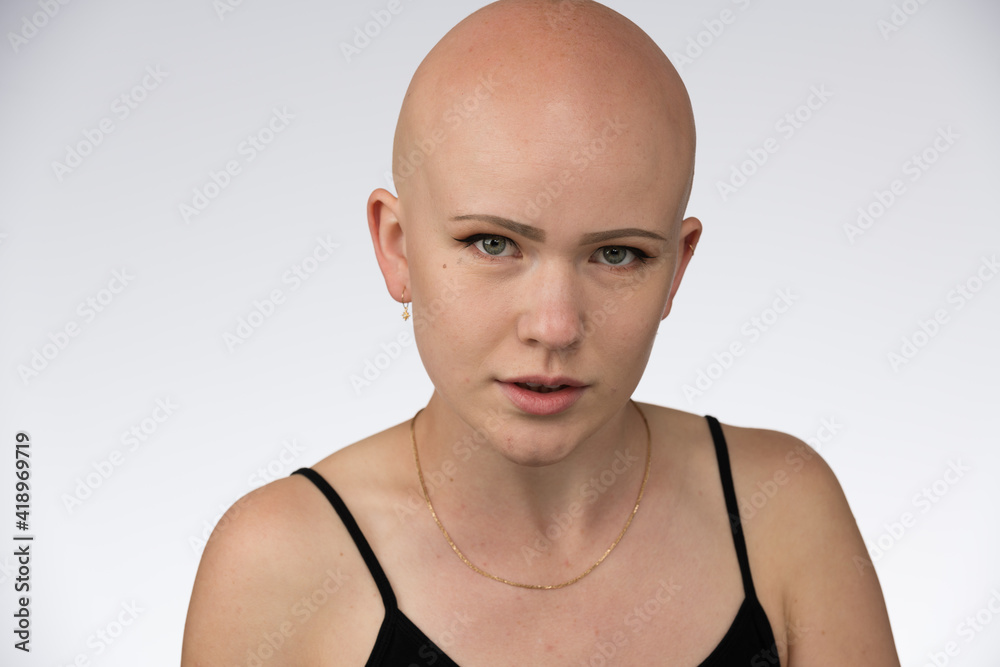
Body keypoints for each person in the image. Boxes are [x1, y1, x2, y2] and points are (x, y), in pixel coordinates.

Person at [182, 1, 901, 664]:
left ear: (677, 268)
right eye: (493, 244)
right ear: (396, 248)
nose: (554, 327)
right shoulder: (277, 563)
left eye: (617, 254)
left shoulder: (782, 509)